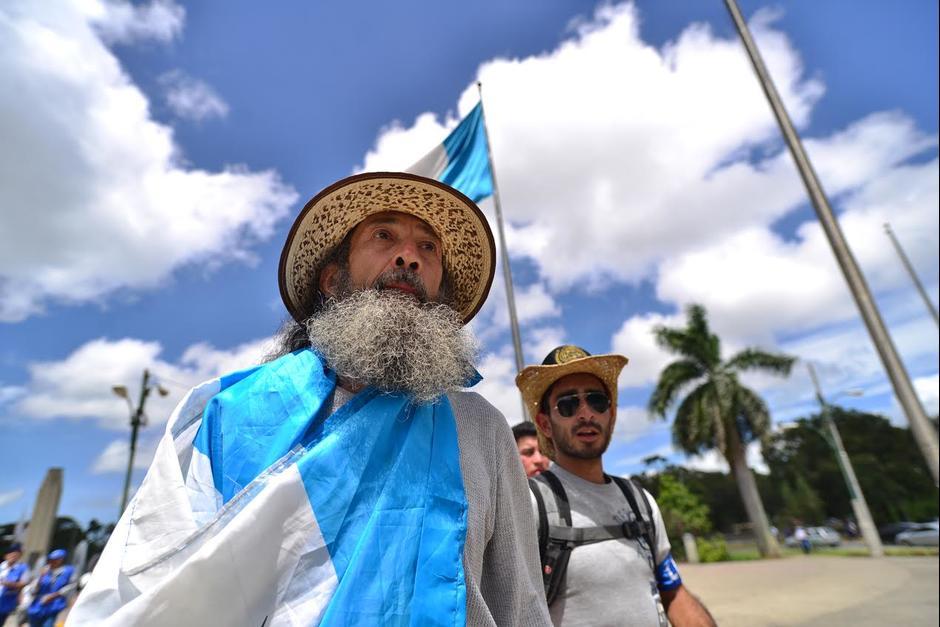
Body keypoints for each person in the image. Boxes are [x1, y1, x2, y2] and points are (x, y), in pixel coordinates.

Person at [69, 172, 549, 626]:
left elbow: (521, 605)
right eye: (384, 236)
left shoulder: (480, 426)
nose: (409, 257)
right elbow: (151, 586)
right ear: (332, 279)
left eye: (428, 247)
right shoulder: (232, 413)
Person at [516, 345, 716, 627]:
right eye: (568, 404)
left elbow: (672, 591)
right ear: (545, 424)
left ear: (611, 414)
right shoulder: (528, 503)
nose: (586, 413)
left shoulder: (640, 500)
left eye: (597, 401)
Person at [27, 550, 75, 627]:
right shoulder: (44, 571)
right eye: (51, 559)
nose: (52, 562)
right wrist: (41, 577)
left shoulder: (68, 571)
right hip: (38, 606)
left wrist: (54, 596)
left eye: (56, 559)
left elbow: (71, 587)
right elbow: (33, 590)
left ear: (61, 560)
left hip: (54, 606)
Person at [0, 544, 30, 626]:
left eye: (16, 555)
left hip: (7, 603)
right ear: (6, 556)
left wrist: (10, 584)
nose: (13, 556)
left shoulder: (23, 568)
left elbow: (24, 583)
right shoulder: (2, 566)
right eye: (11, 554)